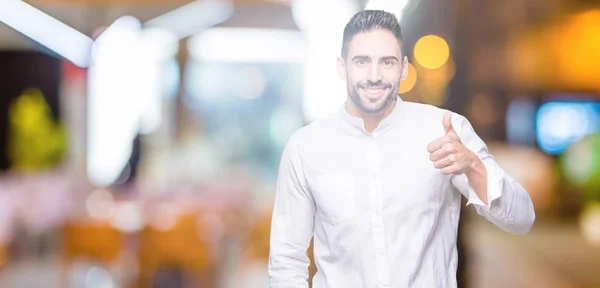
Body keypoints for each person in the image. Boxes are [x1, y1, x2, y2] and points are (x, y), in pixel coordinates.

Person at [268, 10, 535, 288]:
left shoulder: (445, 130)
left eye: (387, 62)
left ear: (404, 68)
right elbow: (287, 259)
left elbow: (522, 220)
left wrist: (475, 167)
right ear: (341, 67)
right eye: (361, 61)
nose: (374, 76)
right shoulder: (306, 147)